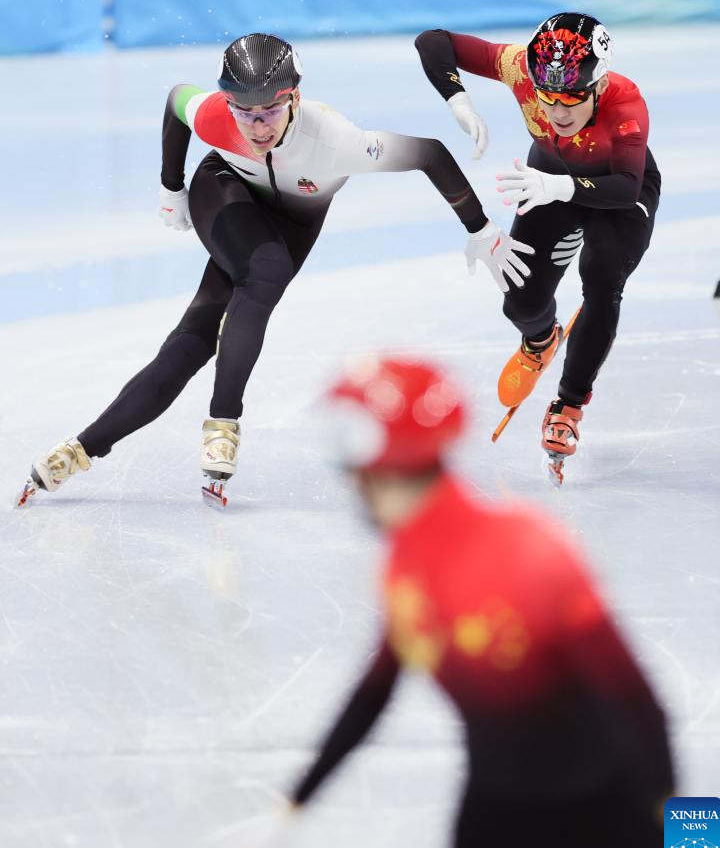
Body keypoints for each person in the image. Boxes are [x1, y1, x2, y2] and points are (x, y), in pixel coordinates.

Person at [15, 32, 533, 509]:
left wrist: (482, 229)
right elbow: (176, 101)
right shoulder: (220, 118)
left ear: (295, 98)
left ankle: (78, 450)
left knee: (197, 338)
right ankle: (224, 423)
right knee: (265, 271)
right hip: (225, 191)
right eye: (245, 112)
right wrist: (171, 186)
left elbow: (430, 154)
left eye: (270, 111)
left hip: (294, 222)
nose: (257, 125)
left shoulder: (338, 141)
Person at [287, 355, 674, 848]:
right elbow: (375, 690)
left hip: (599, 816)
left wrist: (680, 828)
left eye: (353, 471)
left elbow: (636, 699)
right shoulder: (404, 564)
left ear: (379, 468)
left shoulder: (526, 551)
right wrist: (296, 799)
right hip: (493, 810)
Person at [415, 13, 661, 483]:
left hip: (614, 192)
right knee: (520, 301)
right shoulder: (518, 67)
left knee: (603, 281)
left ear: (598, 84)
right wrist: (459, 102)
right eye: (547, 98)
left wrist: (561, 187)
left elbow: (628, 187)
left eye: (571, 98)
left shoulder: (625, 101)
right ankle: (542, 339)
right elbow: (432, 41)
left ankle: (568, 404)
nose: (558, 112)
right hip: (546, 179)